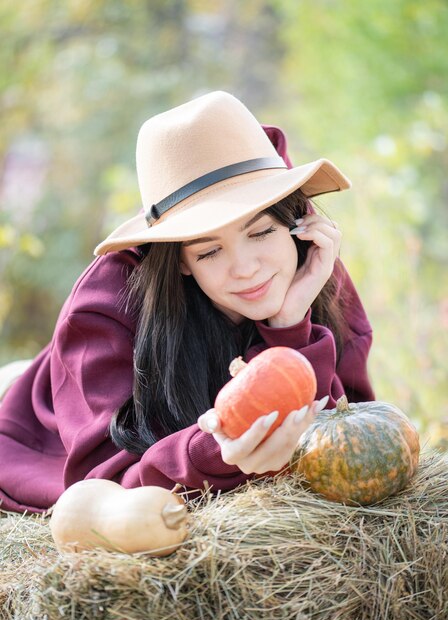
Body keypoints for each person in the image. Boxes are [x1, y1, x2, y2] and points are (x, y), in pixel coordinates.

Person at [0, 91, 374, 514]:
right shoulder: (105, 309)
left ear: (294, 221)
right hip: (57, 424)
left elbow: (351, 429)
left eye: (261, 232)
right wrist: (214, 450)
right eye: (208, 252)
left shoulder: (315, 271)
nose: (246, 269)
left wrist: (290, 325)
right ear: (179, 260)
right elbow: (104, 489)